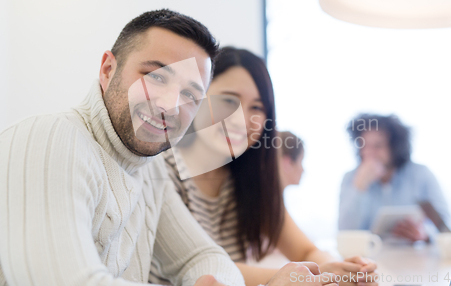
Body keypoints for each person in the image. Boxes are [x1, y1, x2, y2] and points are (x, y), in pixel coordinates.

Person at [0, 10, 335, 286]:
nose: (171, 105)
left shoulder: (147, 167)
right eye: (156, 76)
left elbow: (203, 258)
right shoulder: (48, 138)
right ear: (107, 69)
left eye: (190, 94)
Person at [157, 47, 377, 286]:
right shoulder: (162, 172)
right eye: (229, 100)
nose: (242, 119)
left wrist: (338, 268)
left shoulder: (249, 180)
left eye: (257, 108)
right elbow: (200, 268)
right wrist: (316, 274)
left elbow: (305, 252)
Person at [339, 113, 450, 242]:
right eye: (364, 145)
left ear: (395, 147)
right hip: (370, 257)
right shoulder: (350, 178)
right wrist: (359, 187)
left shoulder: (420, 175)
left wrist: (425, 234)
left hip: (415, 255)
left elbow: (446, 229)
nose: (369, 153)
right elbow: (344, 233)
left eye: (378, 146)